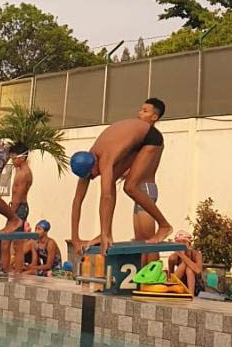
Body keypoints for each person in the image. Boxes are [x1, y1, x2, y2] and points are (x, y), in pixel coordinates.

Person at [69, 99, 172, 258]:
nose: (93, 177)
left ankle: (164, 226)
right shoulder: (88, 159)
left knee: (130, 187)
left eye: (92, 174)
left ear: (94, 164)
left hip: (150, 139)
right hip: (134, 139)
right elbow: (77, 200)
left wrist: (105, 234)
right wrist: (75, 238)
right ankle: (104, 234)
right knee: (111, 182)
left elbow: (106, 196)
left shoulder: (105, 160)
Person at [130, 99, 167, 246]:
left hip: (146, 189)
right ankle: (144, 269)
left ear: (154, 117)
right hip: (137, 191)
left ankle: (154, 269)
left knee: (150, 243)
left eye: (145, 111)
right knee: (141, 242)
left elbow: (144, 167)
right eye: (140, 110)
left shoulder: (153, 138)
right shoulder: (141, 138)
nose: (140, 113)